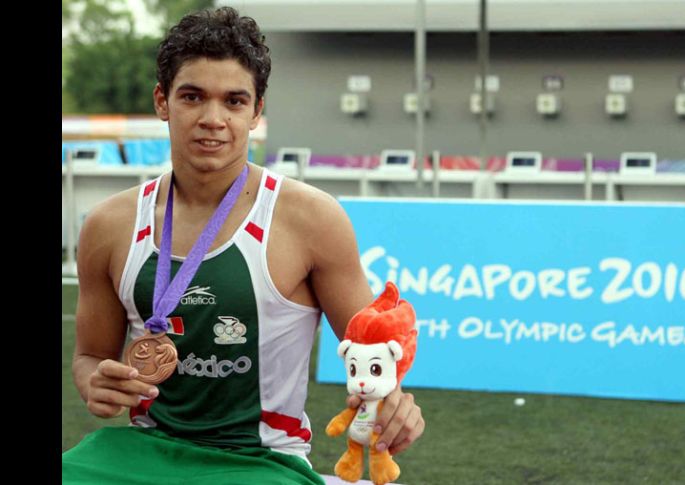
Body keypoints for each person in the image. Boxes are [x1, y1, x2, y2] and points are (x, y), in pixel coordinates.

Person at [62, 7, 424, 484]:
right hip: (144, 449)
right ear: (162, 101)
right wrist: (96, 384)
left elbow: (372, 353)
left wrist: (395, 404)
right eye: (192, 97)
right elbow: (90, 356)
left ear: (256, 111)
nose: (213, 119)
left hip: (260, 462)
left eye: (234, 101)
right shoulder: (109, 225)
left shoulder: (310, 219)